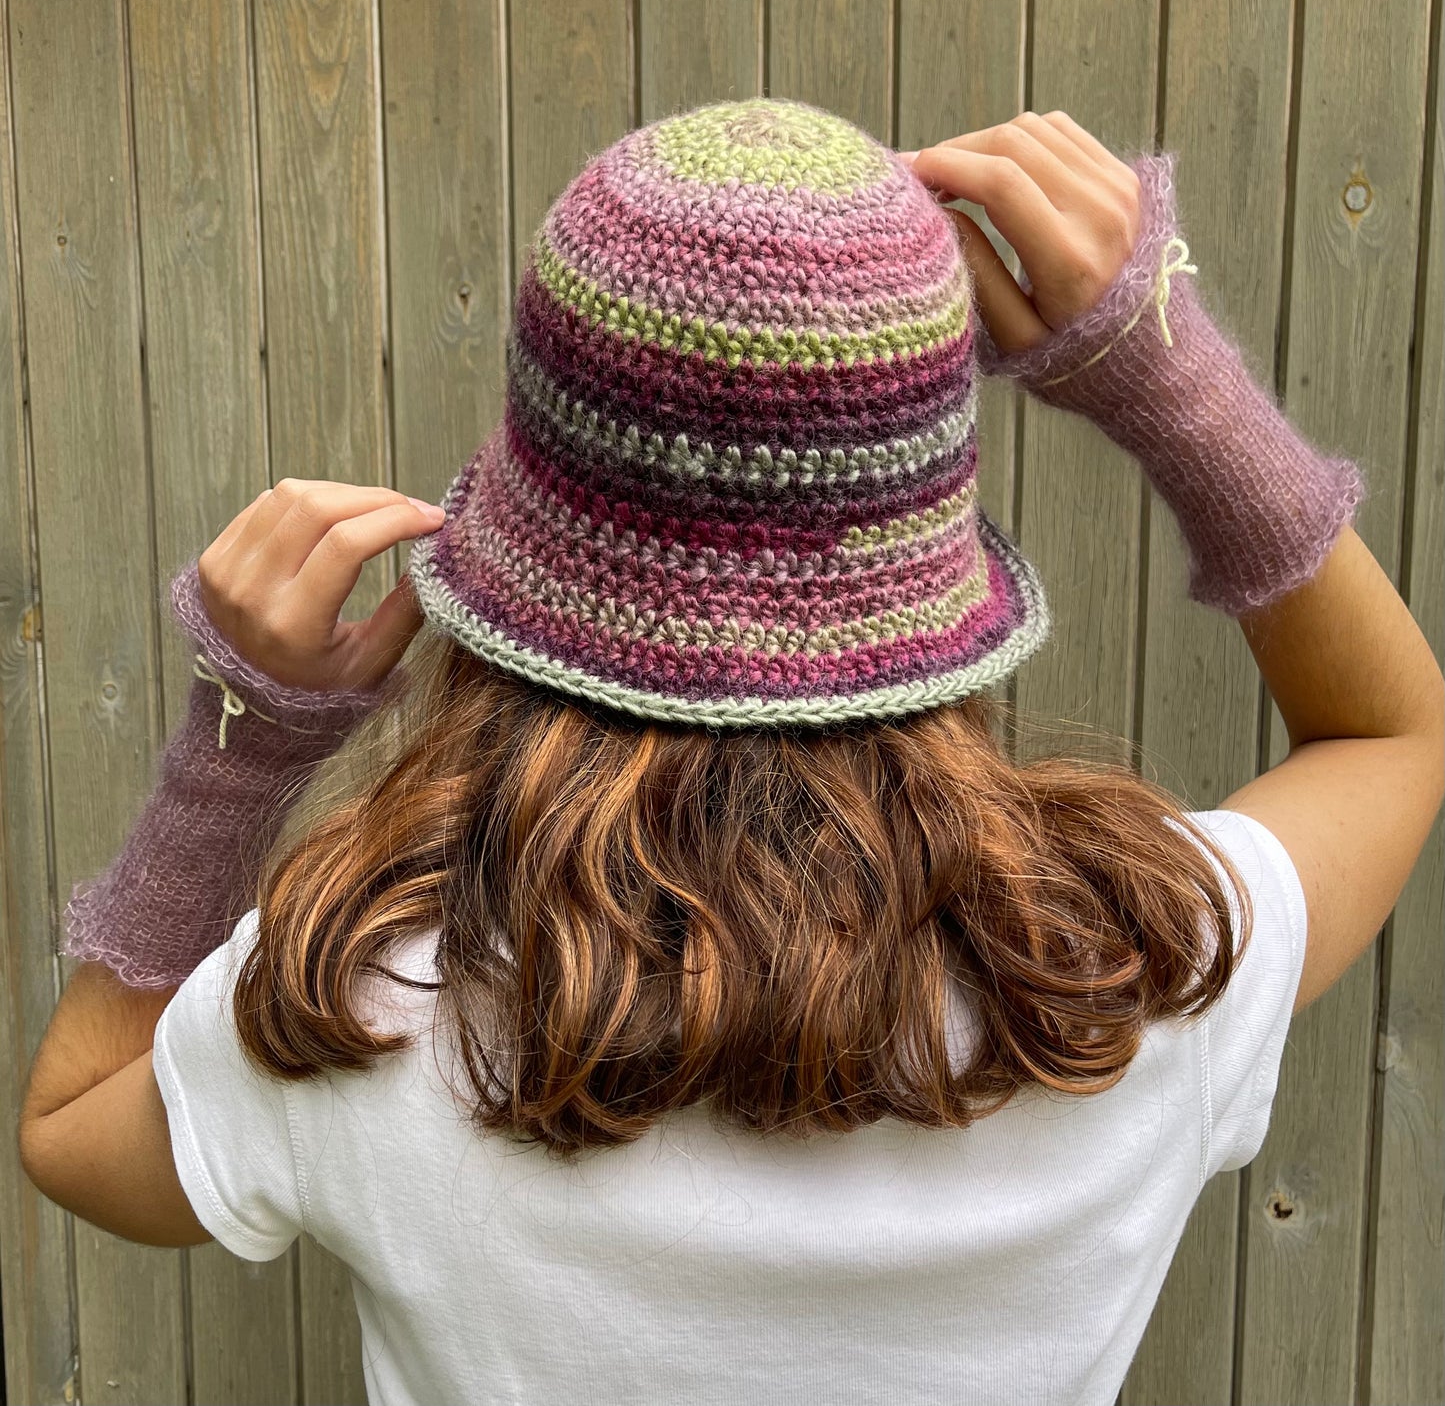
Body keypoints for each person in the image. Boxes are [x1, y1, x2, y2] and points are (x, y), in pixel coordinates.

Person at [17, 98, 1443, 1406]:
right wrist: (1170, 382)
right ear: (923, 552)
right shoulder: (1137, 971)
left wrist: (240, 744)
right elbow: (1392, 736)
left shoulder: (362, 1007)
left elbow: (73, 1129)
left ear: (533, 544)